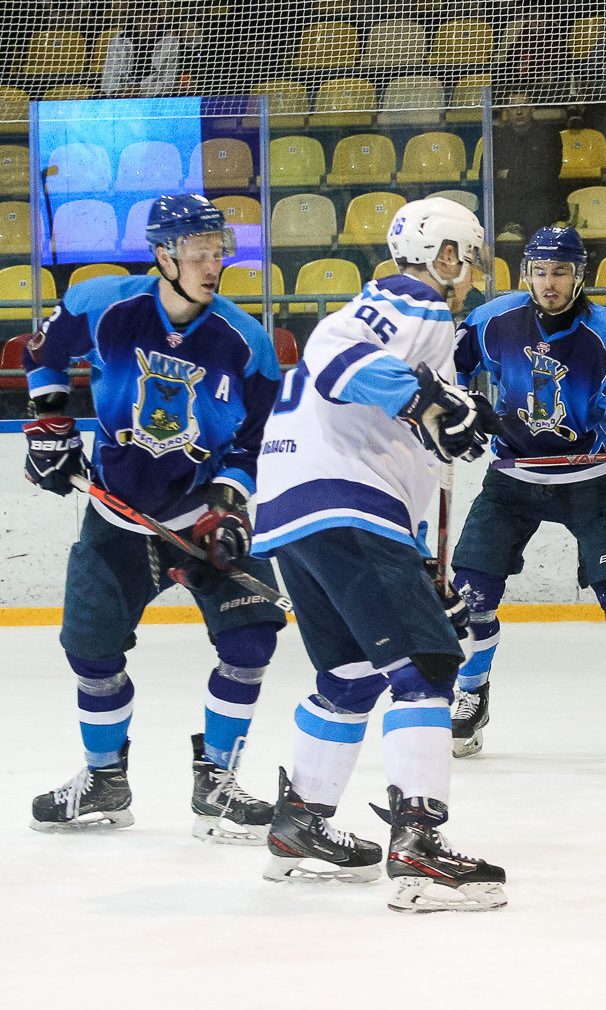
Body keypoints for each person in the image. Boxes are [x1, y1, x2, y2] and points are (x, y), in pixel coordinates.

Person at [251, 197, 507, 913]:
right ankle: (418, 843)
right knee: (425, 666)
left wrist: (423, 565)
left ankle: (302, 823)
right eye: (468, 259)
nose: (470, 278)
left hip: (302, 512)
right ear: (445, 255)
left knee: (351, 673)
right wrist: (432, 404)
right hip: (343, 503)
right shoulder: (413, 298)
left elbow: (397, 445)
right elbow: (336, 359)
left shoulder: (422, 335)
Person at [22, 195, 287, 842]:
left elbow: (257, 441)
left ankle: (216, 780)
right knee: (90, 652)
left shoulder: (246, 342)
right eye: (196, 251)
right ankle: (105, 778)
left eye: (218, 250)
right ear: (162, 254)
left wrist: (228, 503)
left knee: (252, 638)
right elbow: (42, 355)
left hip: (198, 515)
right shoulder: (104, 305)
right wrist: (52, 424)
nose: (212, 262)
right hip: (117, 515)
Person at [448, 226, 606, 759]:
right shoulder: (494, 320)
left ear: (580, 276)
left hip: (591, 481)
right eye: (539, 271)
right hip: (513, 479)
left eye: (560, 271)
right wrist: (457, 409)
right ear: (525, 274)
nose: (549, 282)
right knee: (471, 595)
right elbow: (448, 366)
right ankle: (470, 693)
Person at [491, 92, 567, 239]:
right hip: (508, 205)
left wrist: (509, 174)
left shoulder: (549, 135)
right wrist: (527, 172)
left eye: (524, 106)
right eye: (513, 107)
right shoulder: (497, 138)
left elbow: (547, 176)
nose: (519, 111)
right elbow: (486, 173)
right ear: (506, 111)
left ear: (533, 109)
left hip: (538, 203)